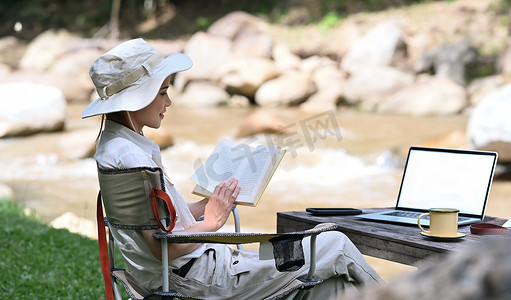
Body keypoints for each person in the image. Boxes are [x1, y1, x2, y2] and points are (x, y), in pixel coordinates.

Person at [83, 38, 382, 299]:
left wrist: (204, 205)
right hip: (199, 278)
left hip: (195, 269)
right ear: (137, 98)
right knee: (336, 244)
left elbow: (158, 225)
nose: (168, 101)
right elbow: (166, 248)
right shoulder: (130, 159)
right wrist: (213, 222)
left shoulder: (119, 146)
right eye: (162, 92)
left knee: (333, 290)